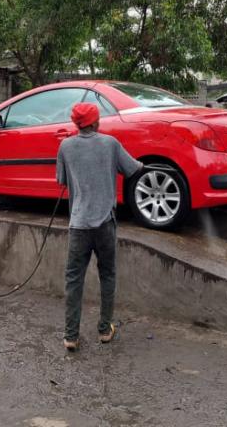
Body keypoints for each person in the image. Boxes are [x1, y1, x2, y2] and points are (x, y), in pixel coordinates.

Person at [56, 102, 143, 351]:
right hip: (105, 222)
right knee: (107, 275)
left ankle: (71, 336)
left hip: (78, 225)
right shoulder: (110, 144)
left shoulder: (65, 146)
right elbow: (132, 168)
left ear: (76, 124)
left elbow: (61, 179)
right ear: (95, 122)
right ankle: (105, 330)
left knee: (73, 279)